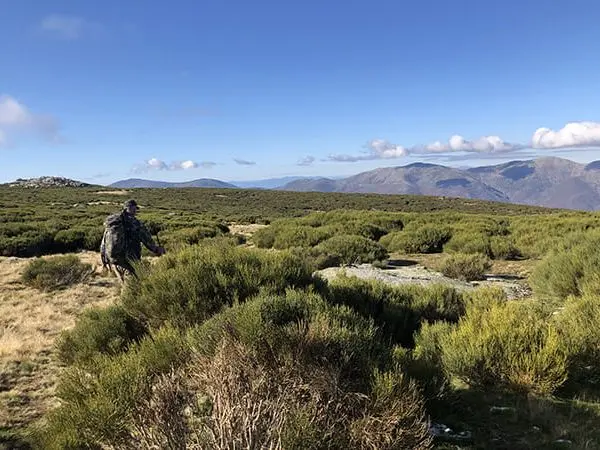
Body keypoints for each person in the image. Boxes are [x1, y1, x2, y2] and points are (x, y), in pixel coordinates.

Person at [101, 199, 165, 281]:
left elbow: (104, 242)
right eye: (134, 208)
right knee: (132, 287)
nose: (135, 211)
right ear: (132, 208)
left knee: (123, 283)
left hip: (114, 260)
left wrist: (104, 259)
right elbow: (147, 240)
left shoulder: (113, 222)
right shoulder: (135, 223)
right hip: (129, 261)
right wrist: (156, 250)